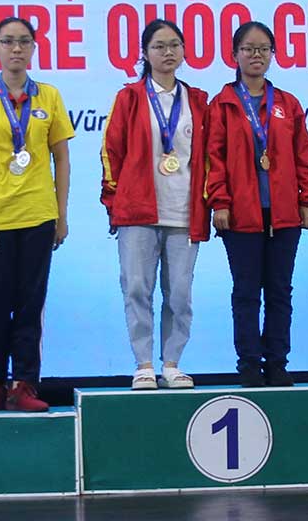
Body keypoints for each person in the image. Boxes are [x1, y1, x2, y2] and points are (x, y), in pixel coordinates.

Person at [0, 17, 74, 412]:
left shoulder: (49, 96)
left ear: (34, 48)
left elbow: (61, 158)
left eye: (24, 41)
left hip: (38, 216)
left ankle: (25, 384)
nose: (16, 48)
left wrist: (61, 215)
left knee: (29, 305)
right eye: (7, 41)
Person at [207, 21, 308, 387]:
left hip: (284, 215)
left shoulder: (287, 103)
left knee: (280, 292)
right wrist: (220, 203)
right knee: (246, 292)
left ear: (272, 54)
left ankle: (278, 364)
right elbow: (214, 158)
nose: (256, 55)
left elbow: (304, 155)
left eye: (264, 49)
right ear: (234, 55)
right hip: (240, 215)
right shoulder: (222, 104)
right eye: (248, 49)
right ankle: (249, 366)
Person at [100, 20, 210, 390]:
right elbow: (111, 152)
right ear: (145, 53)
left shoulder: (197, 101)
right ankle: (144, 363)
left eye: (175, 45)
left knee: (179, 293)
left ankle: (172, 363)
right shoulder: (130, 98)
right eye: (159, 46)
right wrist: (115, 202)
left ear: (184, 51)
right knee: (136, 287)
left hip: (184, 213)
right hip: (138, 211)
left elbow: (209, 157)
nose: (168, 52)